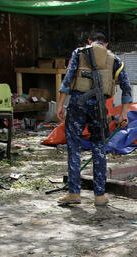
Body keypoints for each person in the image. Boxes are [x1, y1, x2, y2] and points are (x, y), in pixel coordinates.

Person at [56, 31, 131, 207]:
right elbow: (126, 88)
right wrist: (124, 113)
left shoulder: (79, 53)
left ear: (89, 41)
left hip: (77, 105)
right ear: (107, 44)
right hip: (99, 107)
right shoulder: (115, 60)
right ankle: (100, 195)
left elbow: (68, 80)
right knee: (99, 148)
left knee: (74, 147)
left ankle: (74, 193)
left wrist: (60, 104)